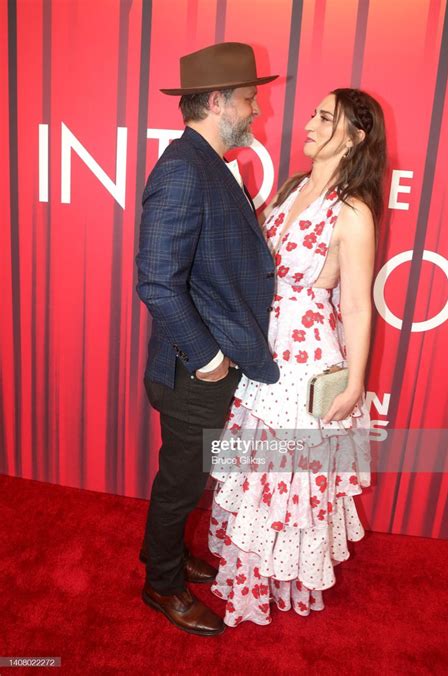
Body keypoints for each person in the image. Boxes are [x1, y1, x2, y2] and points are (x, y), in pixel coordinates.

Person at [208, 88, 387, 626]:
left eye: (324, 117)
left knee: (283, 477)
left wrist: (355, 384)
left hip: (305, 358)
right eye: (313, 112)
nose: (309, 122)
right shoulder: (293, 187)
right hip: (264, 349)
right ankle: (247, 570)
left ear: (355, 137)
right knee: (256, 468)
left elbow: (355, 306)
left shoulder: (352, 211)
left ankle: (265, 580)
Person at [135, 42, 280, 636]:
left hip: (214, 365)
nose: (257, 111)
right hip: (195, 372)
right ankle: (161, 584)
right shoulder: (181, 169)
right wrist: (210, 360)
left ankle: (167, 559)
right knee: (181, 483)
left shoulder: (213, 162)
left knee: (190, 478)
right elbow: (156, 281)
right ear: (218, 101)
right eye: (249, 99)